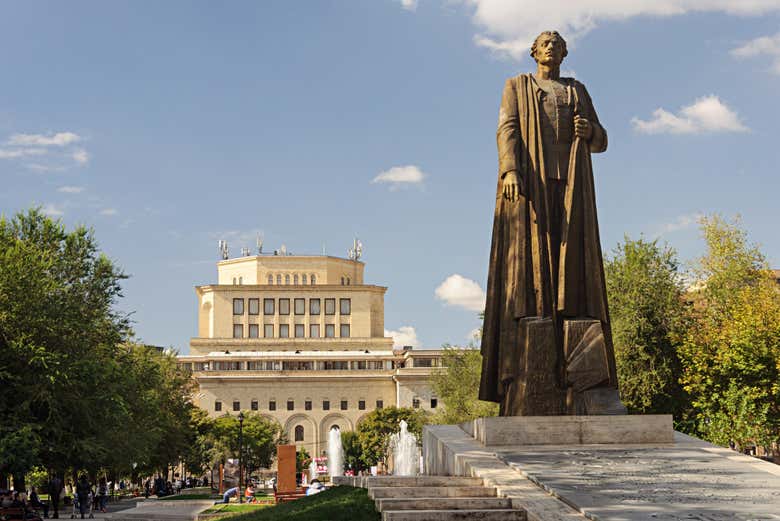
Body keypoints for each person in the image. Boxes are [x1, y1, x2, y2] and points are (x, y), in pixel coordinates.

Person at [480, 30, 625, 416]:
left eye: (558, 46)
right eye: (546, 44)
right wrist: (509, 169)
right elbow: (507, 128)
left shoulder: (576, 90)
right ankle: (539, 332)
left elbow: (603, 139)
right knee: (534, 263)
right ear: (534, 52)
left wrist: (590, 132)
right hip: (533, 182)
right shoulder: (517, 86)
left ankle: (577, 359)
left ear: (564, 54)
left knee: (573, 264)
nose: (551, 50)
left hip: (572, 184)